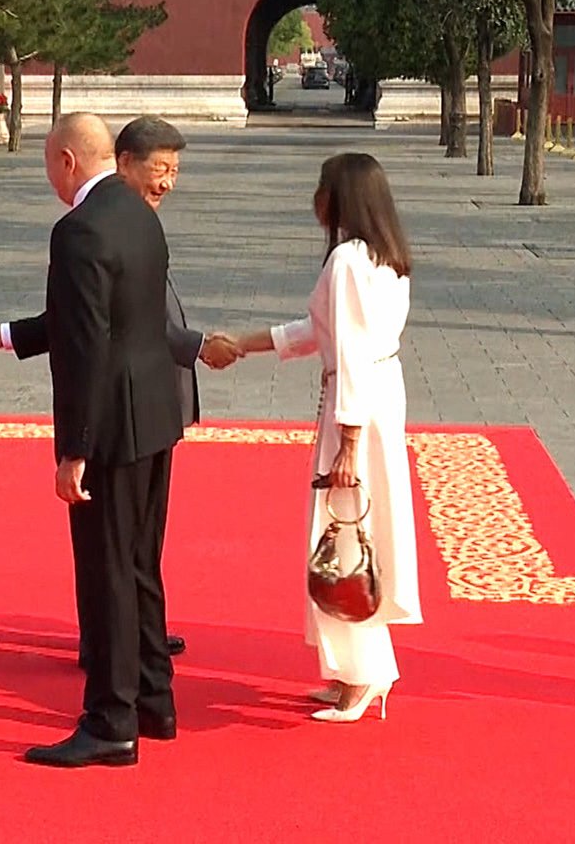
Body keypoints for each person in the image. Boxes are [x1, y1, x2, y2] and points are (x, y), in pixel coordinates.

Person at [0, 113, 184, 768]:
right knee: (138, 562)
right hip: (154, 418)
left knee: (107, 570)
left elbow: (85, 345)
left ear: (63, 160)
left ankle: (110, 720)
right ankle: (152, 699)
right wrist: (2, 337)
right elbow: (89, 319)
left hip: (108, 426)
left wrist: (74, 450)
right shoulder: (140, 213)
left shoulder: (79, 229)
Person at [232, 152, 421, 723]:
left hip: (358, 405)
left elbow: (349, 351)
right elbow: (318, 332)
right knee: (361, 533)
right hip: (376, 396)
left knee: (344, 534)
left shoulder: (346, 260)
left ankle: (360, 675)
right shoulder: (385, 258)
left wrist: (349, 444)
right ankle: (359, 671)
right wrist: (244, 342)